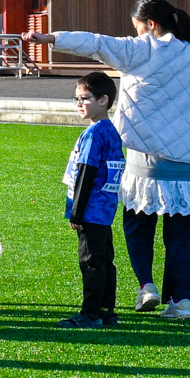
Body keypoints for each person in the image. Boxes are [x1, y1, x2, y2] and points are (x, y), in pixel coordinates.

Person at [25, 0, 190, 321]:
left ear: (151, 24)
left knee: (137, 227)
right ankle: (181, 301)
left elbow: (96, 43)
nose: (135, 33)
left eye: (137, 27)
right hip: (189, 164)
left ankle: (147, 285)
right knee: (182, 236)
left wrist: (49, 38)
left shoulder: (142, 50)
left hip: (145, 160)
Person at [60, 72, 126, 328]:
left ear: (103, 100)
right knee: (104, 260)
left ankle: (91, 313)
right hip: (104, 210)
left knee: (90, 262)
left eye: (84, 98)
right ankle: (107, 311)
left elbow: (86, 172)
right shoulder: (110, 131)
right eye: (76, 99)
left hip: (91, 210)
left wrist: (76, 211)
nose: (79, 103)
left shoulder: (94, 133)